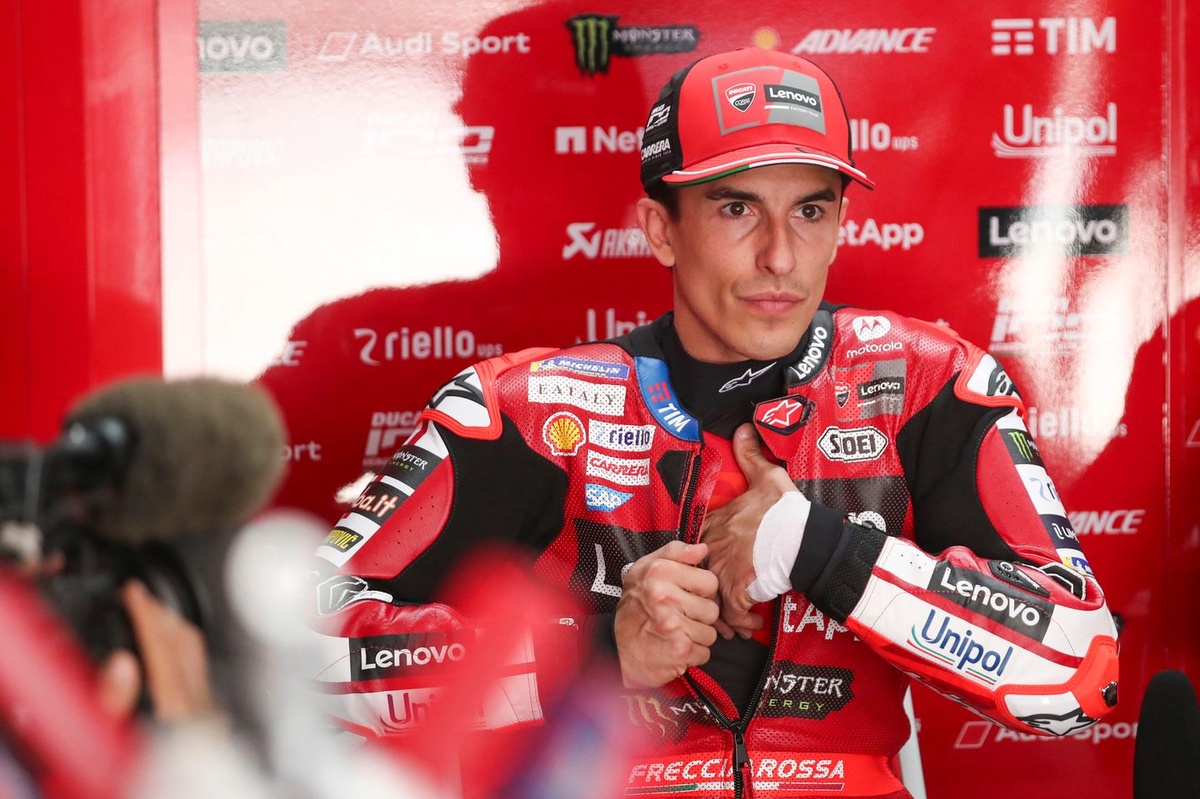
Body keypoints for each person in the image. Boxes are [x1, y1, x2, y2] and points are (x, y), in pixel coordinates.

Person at [308, 47, 1119, 798]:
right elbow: (307, 659)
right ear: (661, 229)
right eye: (737, 208)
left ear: (840, 222)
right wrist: (598, 650)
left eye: (810, 210)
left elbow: (1080, 672)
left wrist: (824, 551)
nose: (780, 256)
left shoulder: (924, 385)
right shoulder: (526, 409)